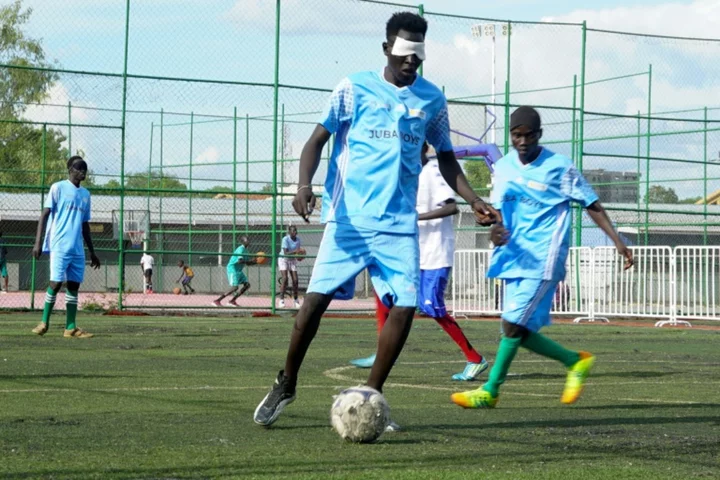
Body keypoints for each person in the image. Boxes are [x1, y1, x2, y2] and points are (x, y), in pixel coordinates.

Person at [253, 12, 498, 427]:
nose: (410, 62)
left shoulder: (432, 100)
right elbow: (317, 140)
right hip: (348, 221)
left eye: (418, 56)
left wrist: (472, 198)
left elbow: (446, 157)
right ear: (386, 49)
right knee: (311, 306)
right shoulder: (353, 88)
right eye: (403, 53)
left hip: (398, 224)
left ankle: (371, 398)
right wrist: (302, 186)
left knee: (405, 306)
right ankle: (286, 383)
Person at [451, 106, 634, 409]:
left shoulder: (559, 167)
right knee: (516, 331)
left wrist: (617, 240)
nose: (522, 141)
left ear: (539, 134)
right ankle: (575, 361)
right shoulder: (505, 167)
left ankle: (490, 390)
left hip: (543, 257)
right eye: (516, 135)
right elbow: (497, 213)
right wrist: (493, 228)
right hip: (512, 257)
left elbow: (591, 203)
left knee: (512, 326)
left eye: (529, 135)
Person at [350, 143, 489, 382]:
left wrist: (416, 217)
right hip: (415, 252)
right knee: (384, 289)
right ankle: (383, 351)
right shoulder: (408, 173)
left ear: (422, 146)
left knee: (431, 306)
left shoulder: (434, 171)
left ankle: (475, 359)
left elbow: (452, 207)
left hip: (436, 252)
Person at [31, 156, 101, 338]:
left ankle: (70, 327)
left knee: (73, 286)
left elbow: (85, 225)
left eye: (85, 168)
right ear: (70, 169)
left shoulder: (85, 195)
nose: (82, 171)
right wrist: (38, 242)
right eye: (79, 168)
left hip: (77, 248)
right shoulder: (58, 188)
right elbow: (44, 215)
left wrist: (92, 252)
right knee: (55, 283)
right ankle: (43, 322)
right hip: (59, 245)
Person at [213, 236, 257, 307]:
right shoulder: (240, 249)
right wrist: (250, 261)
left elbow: (247, 263)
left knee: (247, 285)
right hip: (232, 269)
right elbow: (240, 261)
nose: (248, 241)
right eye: (247, 240)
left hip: (239, 270)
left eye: (249, 240)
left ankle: (232, 301)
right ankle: (217, 300)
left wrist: (255, 262)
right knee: (234, 287)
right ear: (243, 241)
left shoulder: (246, 251)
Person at [277, 225, 302, 309]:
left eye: (296, 230)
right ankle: (281, 300)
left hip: (292, 260)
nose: (295, 232)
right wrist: (296, 251)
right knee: (285, 278)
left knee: (295, 280)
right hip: (283, 259)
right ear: (289, 232)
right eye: (293, 231)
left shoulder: (298, 240)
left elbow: (298, 254)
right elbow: (286, 253)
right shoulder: (285, 239)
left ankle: (296, 300)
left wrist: (300, 256)